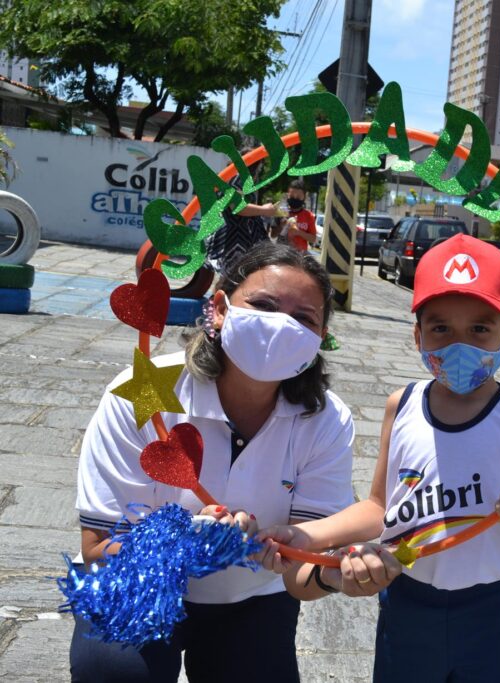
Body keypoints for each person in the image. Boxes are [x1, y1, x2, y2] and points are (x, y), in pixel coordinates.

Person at [70, 242, 379, 683]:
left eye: (303, 318)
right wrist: (189, 542)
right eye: (263, 305)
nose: (279, 325)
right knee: (116, 673)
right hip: (138, 582)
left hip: (250, 597)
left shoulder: (326, 419)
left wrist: (338, 574)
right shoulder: (144, 392)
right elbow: (98, 547)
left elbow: (303, 569)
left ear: (319, 339)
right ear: (218, 308)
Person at [258, 234, 500, 683]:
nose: (459, 345)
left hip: (491, 614)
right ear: (417, 336)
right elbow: (380, 507)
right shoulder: (402, 404)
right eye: (440, 329)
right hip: (407, 604)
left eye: (480, 329)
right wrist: (304, 534)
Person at [204, 148, 279, 276]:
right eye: (260, 164)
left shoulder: (244, 179)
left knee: (235, 277)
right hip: (235, 237)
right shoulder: (237, 178)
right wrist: (264, 210)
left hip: (240, 237)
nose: (259, 169)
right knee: (232, 277)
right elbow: (237, 207)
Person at [278, 180, 317, 252]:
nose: (295, 199)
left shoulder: (309, 216)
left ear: (304, 197)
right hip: (281, 253)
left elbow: (313, 239)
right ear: (288, 195)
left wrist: (299, 232)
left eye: (298, 198)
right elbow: (272, 235)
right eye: (292, 196)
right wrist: (281, 227)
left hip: (300, 256)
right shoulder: (281, 213)